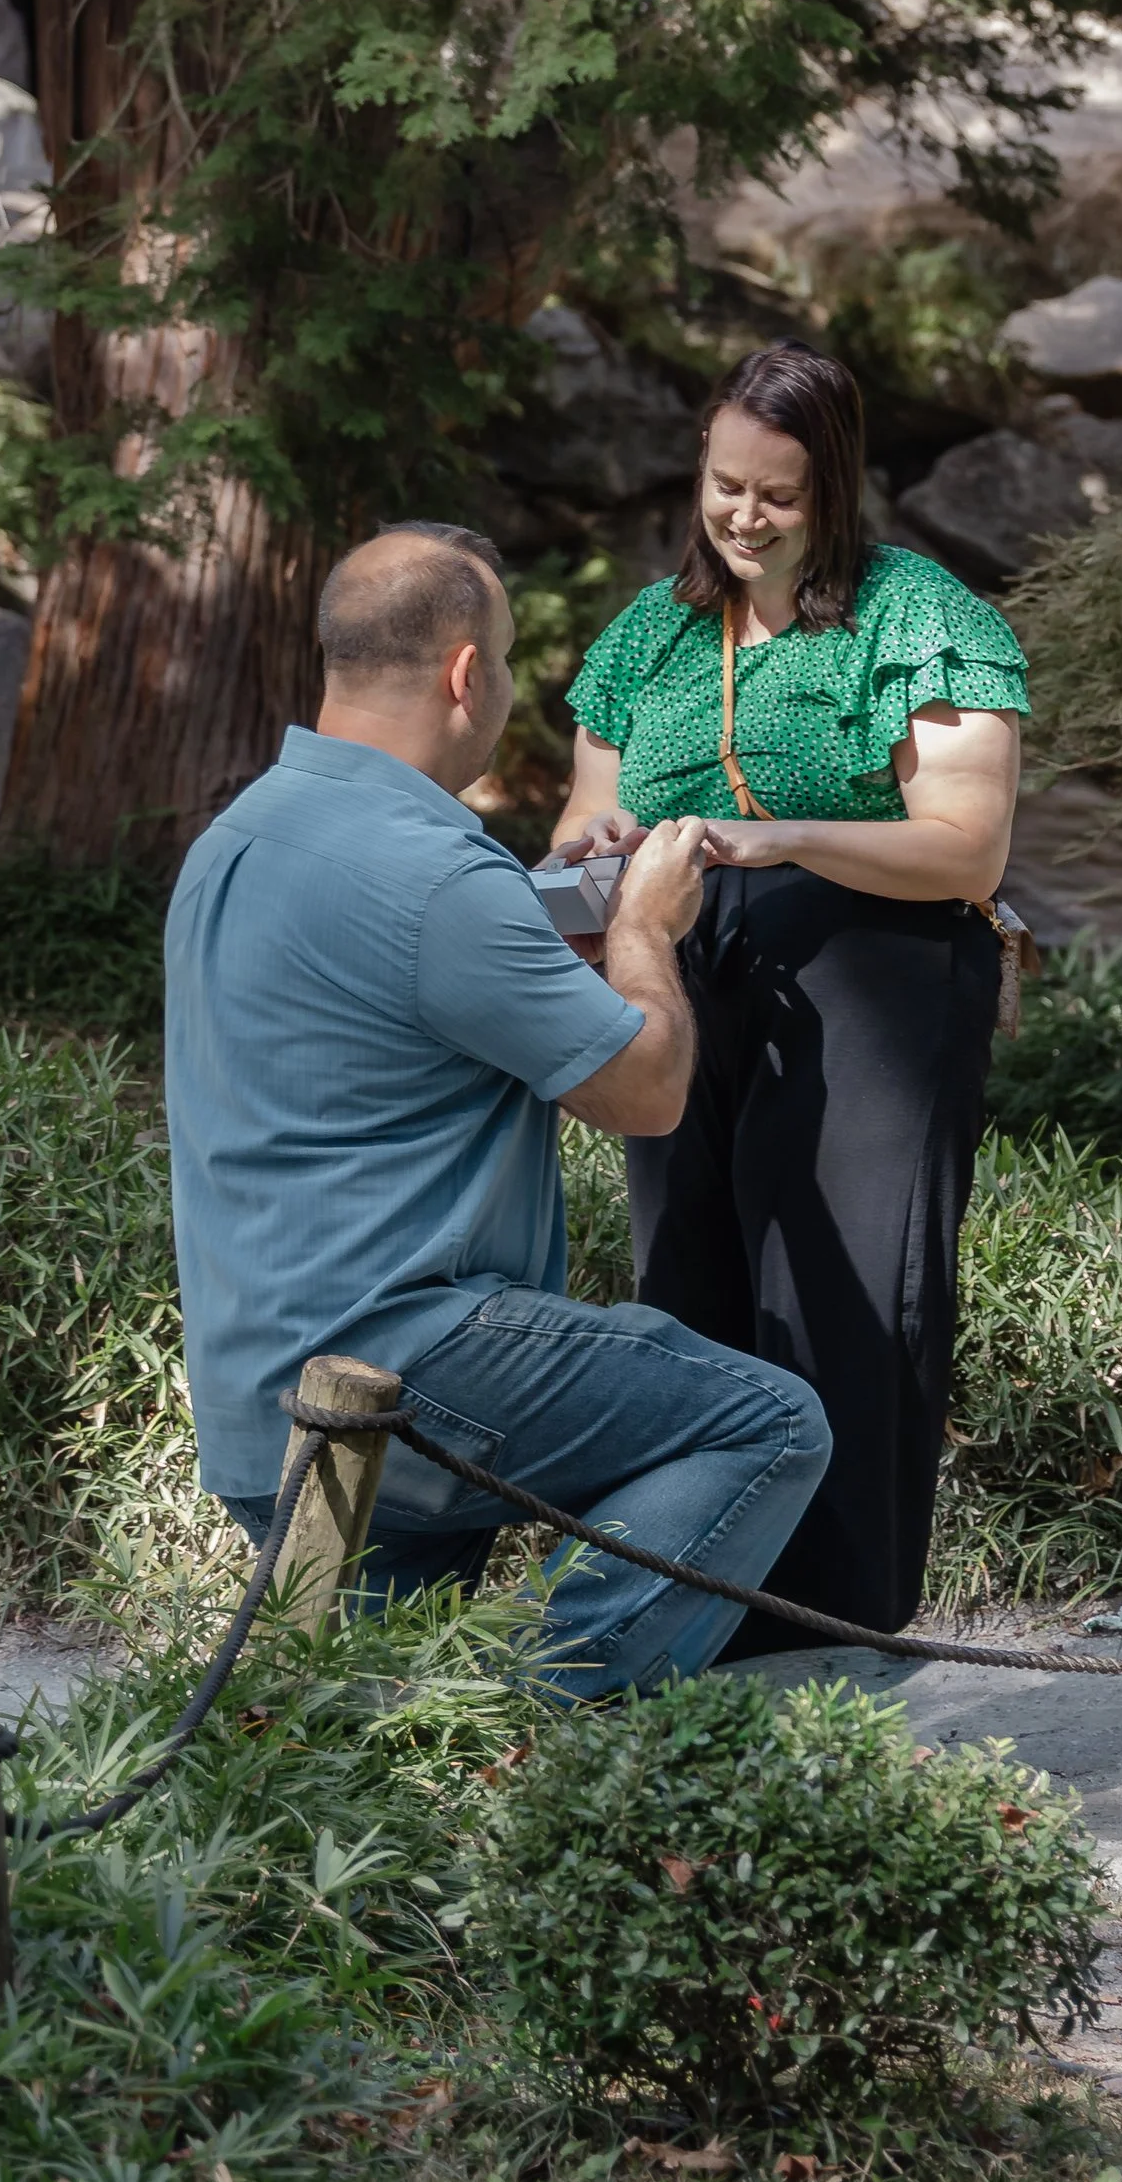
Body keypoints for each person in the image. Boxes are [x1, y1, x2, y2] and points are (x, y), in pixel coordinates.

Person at [164, 517, 832, 1697]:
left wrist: (558, 916)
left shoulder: (239, 835)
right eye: (513, 658)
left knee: (346, 1741)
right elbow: (644, 1090)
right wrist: (640, 928)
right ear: (467, 671)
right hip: (411, 1365)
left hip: (250, 1387)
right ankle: (527, 1728)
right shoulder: (434, 872)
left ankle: (440, 1754)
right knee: (768, 1422)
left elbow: (400, 996)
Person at [552, 343, 1026, 1648]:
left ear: (836, 490)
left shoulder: (917, 615)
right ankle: (690, 1610)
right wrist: (597, 845)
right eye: (724, 485)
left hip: (876, 964)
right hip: (685, 966)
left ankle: (832, 1633)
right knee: (684, 1282)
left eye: (779, 494)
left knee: (847, 1294)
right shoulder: (650, 634)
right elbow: (589, 811)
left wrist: (790, 835)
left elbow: (965, 848)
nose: (744, 517)